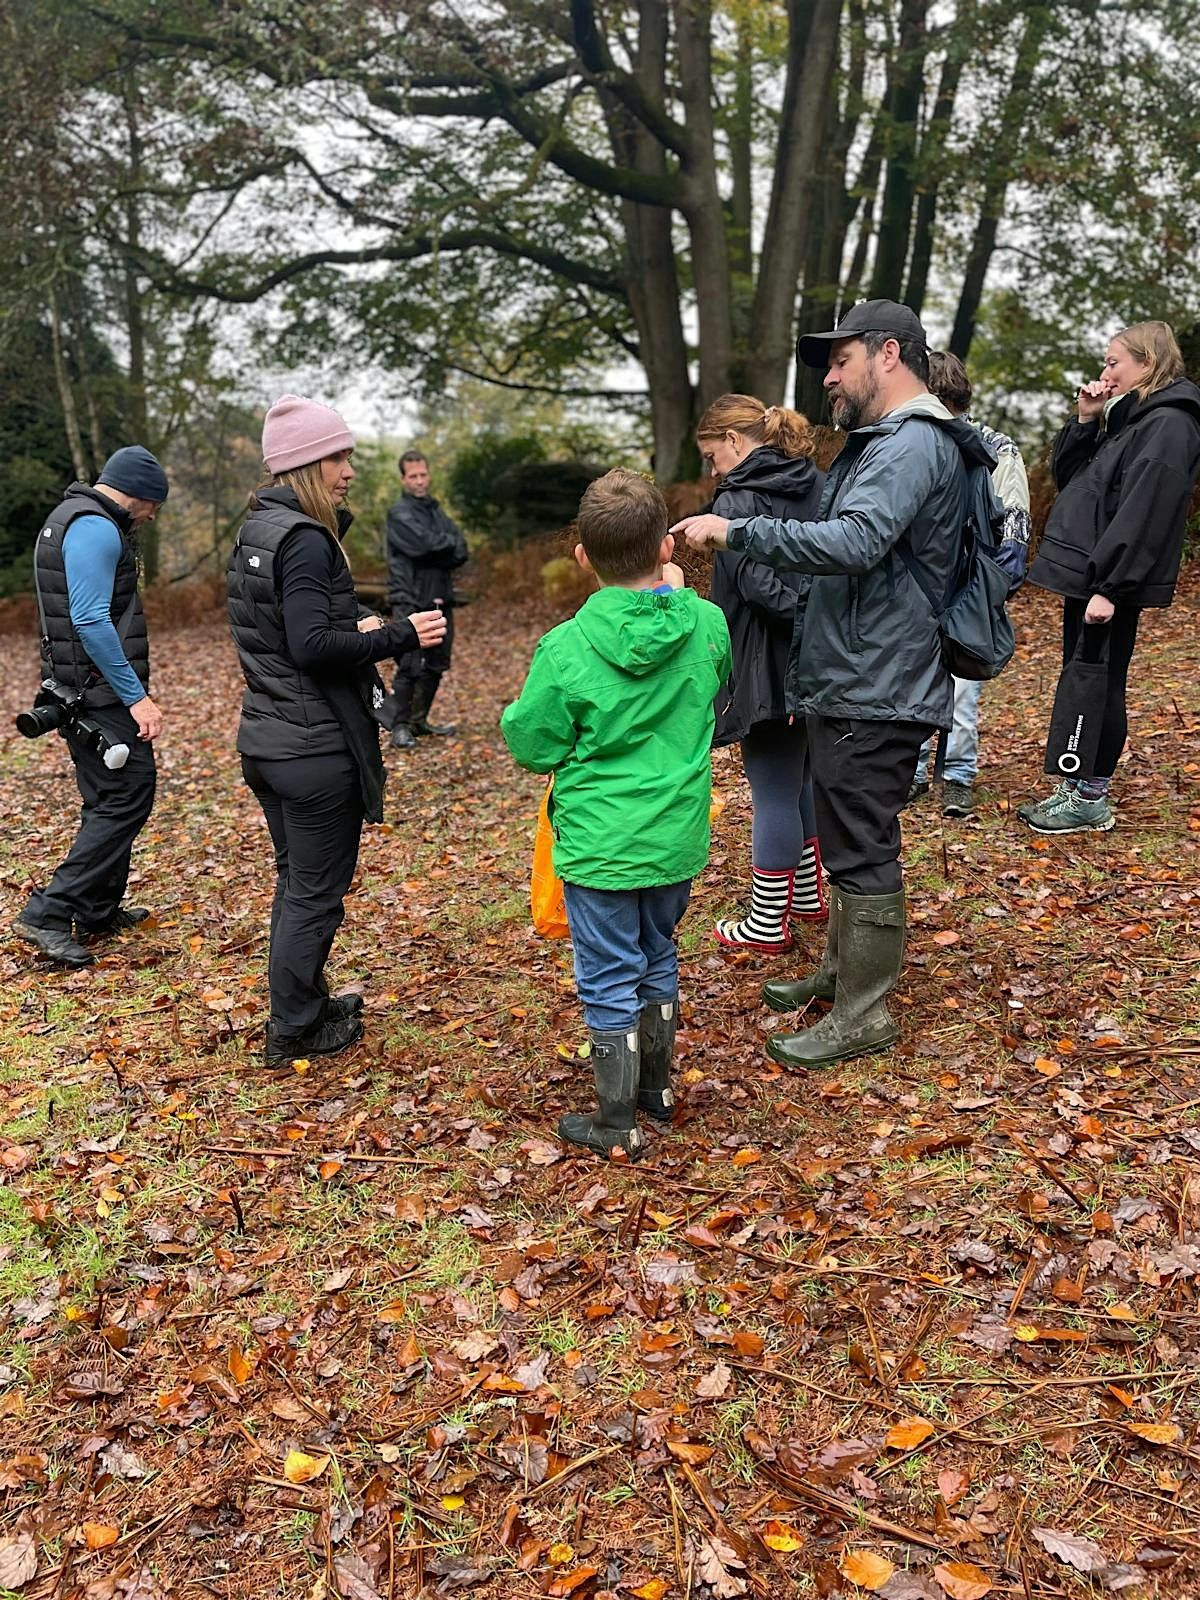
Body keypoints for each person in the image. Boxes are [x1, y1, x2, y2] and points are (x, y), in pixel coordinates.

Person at [674, 299, 998, 1070]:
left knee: (861, 845)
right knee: (849, 837)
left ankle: (864, 1012)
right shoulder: (888, 442)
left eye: (839, 359)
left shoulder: (914, 443)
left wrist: (737, 531)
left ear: (888, 354)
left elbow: (855, 542)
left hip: (878, 680)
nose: (827, 377)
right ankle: (838, 972)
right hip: (854, 673)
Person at [501, 469, 731, 1159]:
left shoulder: (566, 648)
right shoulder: (707, 623)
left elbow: (531, 740)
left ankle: (615, 1119)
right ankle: (655, 1089)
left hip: (602, 845)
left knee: (607, 972)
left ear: (582, 557)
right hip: (675, 834)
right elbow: (712, 682)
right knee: (658, 950)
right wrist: (679, 598)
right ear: (667, 546)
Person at [227, 396, 447, 1067]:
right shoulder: (301, 539)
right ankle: (294, 1027)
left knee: (299, 886)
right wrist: (397, 633)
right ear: (302, 466)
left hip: (270, 740)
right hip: (311, 748)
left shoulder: (259, 529)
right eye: (337, 458)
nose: (348, 471)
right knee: (313, 894)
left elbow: (287, 635)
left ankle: (307, 1003)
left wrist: (353, 628)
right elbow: (313, 646)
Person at [1020, 322, 1200, 833]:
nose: (1105, 373)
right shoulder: (1133, 421)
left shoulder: (1169, 426)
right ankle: (1075, 787)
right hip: (1092, 574)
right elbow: (1078, 482)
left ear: (1148, 363)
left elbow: (1147, 512)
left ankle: (1090, 796)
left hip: (1108, 581)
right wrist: (1085, 420)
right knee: (1084, 677)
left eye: (1114, 362)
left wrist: (1111, 587)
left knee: (1099, 680)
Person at [12, 447, 169, 970]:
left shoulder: (65, 520)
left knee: (108, 795)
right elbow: (91, 621)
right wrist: (136, 697)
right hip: (99, 693)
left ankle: (99, 909)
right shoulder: (99, 528)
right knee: (128, 796)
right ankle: (49, 912)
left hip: (72, 688)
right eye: (155, 506)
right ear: (140, 494)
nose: (152, 517)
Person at [696, 394, 826, 951]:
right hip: (819, 656)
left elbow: (758, 585)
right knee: (800, 778)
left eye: (711, 455)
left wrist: (798, 618)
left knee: (772, 786)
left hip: (765, 659)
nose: (711, 468)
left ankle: (766, 924)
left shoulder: (737, 499)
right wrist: (821, 626)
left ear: (733, 441)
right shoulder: (813, 481)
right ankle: (809, 896)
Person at [907, 351, 1032, 817]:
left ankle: (957, 776)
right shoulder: (914, 446)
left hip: (971, 587)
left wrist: (990, 591)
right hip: (920, 588)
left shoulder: (996, 449)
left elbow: (1015, 531)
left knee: (963, 688)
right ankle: (914, 771)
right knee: (915, 681)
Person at [386, 450, 469, 748]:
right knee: (410, 665)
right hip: (409, 597)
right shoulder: (399, 513)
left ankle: (419, 720)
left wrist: (442, 546)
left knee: (436, 662)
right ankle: (399, 726)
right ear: (403, 479)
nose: (420, 481)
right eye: (413, 476)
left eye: (423, 475)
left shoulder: (435, 510)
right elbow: (424, 545)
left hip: (440, 597)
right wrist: (442, 546)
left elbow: (461, 548)